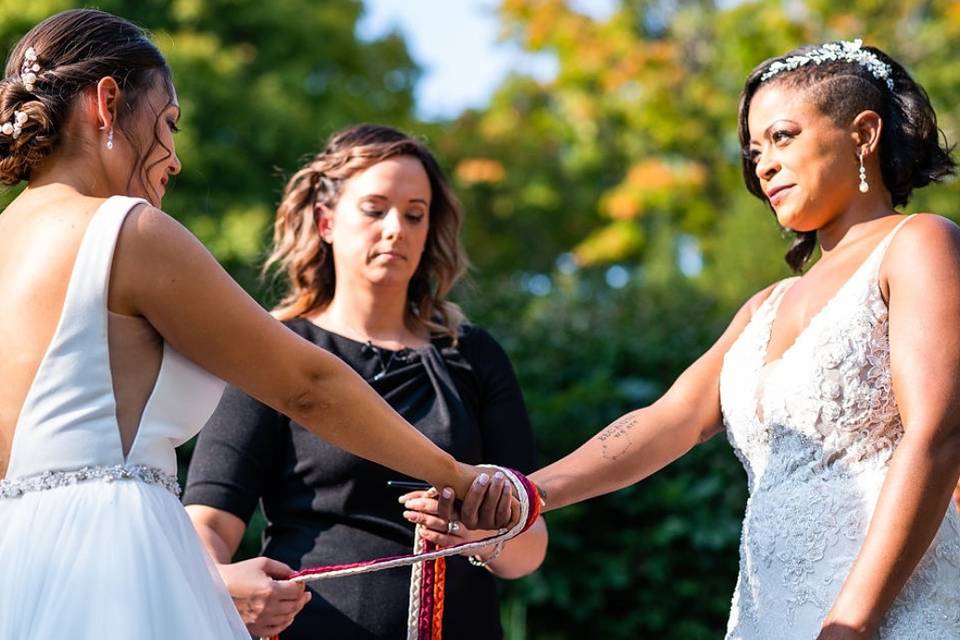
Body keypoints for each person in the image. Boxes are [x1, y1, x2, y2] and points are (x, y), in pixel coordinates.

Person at [0, 11, 514, 640]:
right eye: (167, 125)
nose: (176, 160)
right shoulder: (127, 230)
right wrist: (456, 476)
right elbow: (306, 385)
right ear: (108, 103)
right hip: (117, 566)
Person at [519, 39, 960, 639]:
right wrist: (527, 492)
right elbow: (669, 419)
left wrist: (853, 621)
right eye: (754, 151)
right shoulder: (764, 306)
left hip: (885, 611)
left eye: (782, 137)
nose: (764, 164)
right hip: (766, 613)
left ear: (864, 133)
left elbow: (937, 433)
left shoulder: (918, 244)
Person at [184, 124, 548, 639]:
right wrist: (222, 583)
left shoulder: (475, 356)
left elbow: (530, 549)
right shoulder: (273, 353)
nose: (397, 228)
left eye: (415, 214)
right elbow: (208, 523)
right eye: (375, 209)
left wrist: (484, 532)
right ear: (326, 220)